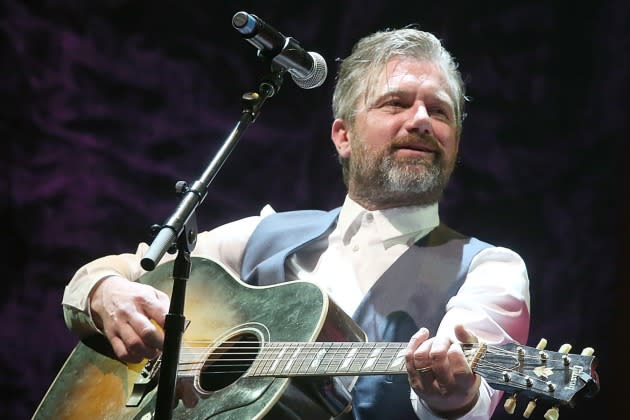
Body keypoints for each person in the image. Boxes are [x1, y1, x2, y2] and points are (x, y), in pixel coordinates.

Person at [62, 27, 530, 419]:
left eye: (440, 110)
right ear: (343, 136)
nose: (422, 120)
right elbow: (119, 272)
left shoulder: (490, 268)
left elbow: (474, 400)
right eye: (396, 103)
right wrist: (104, 292)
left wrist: (454, 394)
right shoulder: (262, 237)